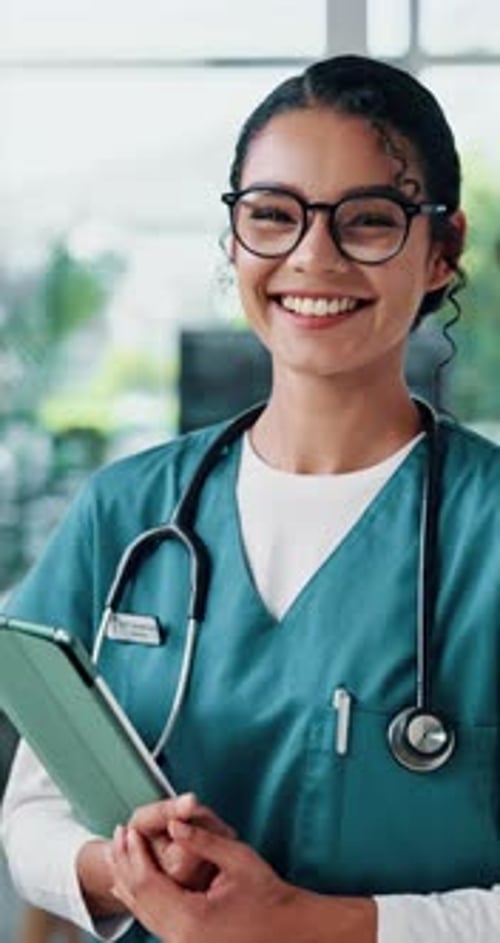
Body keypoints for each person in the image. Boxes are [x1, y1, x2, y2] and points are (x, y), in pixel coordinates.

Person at [2, 53, 500, 943]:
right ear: (234, 241)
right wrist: (125, 869)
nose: (313, 254)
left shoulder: (487, 532)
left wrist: (309, 925)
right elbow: (32, 814)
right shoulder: (127, 512)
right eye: (273, 215)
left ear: (442, 251)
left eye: (369, 221)